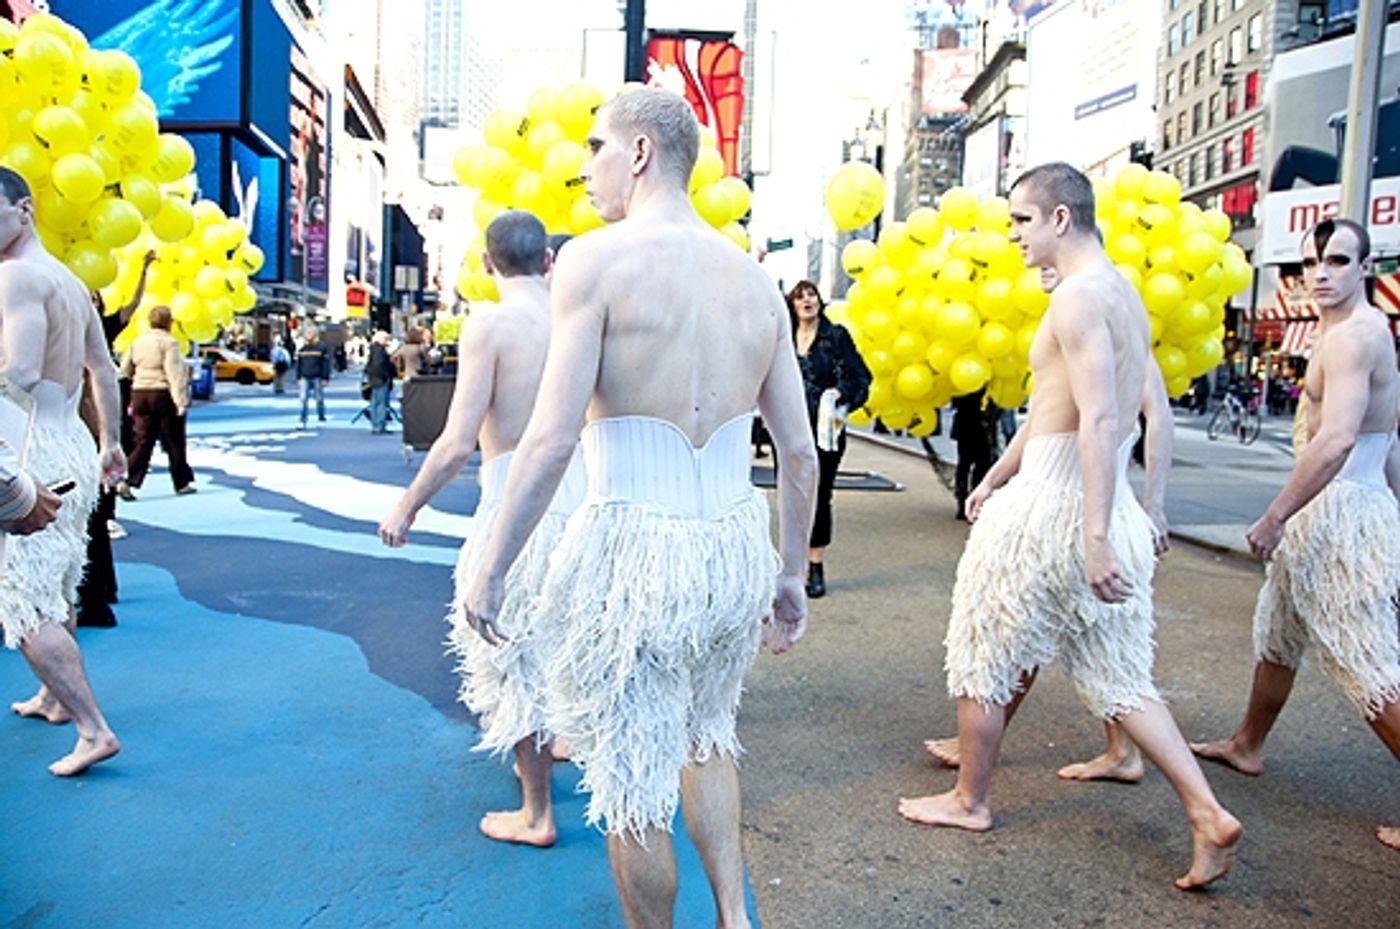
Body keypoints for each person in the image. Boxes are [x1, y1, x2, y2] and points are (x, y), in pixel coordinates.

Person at [461, 89, 818, 929]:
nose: (585, 166)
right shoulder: (756, 282)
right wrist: (791, 573)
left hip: (633, 547)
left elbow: (551, 440)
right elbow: (799, 452)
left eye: (597, 147)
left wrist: (494, 565)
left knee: (632, 777)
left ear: (642, 152)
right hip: (732, 544)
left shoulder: (593, 261)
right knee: (708, 735)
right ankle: (733, 917)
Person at [898, 163, 1241, 890]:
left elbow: (1101, 418)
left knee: (983, 649)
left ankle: (969, 799)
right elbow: (1053, 411)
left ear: (1060, 217)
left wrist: (1093, 535)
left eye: (1022, 220)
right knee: (1120, 677)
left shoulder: (1079, 298)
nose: (1013, 235)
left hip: (1059, 508)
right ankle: (1207, 810)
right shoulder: (1122, 294)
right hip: (1086, 500)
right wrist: (995, 475)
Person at [1190, 218, 1400, 852]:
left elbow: (1338, 441)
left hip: (1338, 514)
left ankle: (1248, 742)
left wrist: (1275, 514)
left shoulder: (1353, 337)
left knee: (1367, 665)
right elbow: (1388, 441)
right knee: (1278, 635)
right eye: (1312, 262)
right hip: (1336, 508)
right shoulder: (1353, 331)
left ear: (1364, 268)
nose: (1320, 274)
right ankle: (1247, 744)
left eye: (1337, 261)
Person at [380, 210, 582, 846]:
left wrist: (407, 506)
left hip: (513, 499)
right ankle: (564, 746)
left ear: (489, 263)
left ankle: (536, 813)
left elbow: (456, 441)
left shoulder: (490, 325)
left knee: (512, 653)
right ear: (547, 261)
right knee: (566, 638)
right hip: (582, 496)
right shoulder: (577, 314)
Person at [0, 165, 126, 776]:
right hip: (70, 441)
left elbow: (17, 375)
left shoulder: (16, 275)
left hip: (29, 447)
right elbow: (103, 369)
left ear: (24, 210)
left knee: (24, 602)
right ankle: (53, 697)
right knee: (56, 584)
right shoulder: (71, 281)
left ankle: (92, 727)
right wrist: (111, 442)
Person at [787, 279, 871, 597]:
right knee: (792, 496)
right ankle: (792, 566)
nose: (807, 300)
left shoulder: (836, 337)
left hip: (825, 433)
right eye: (800, 297)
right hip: (789, 432)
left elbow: (861, 378)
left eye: (811, 295)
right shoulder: (784, 338)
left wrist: (840, 392)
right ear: (792, 305)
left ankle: (816, 566)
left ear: (819, 301)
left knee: (819, 495)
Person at [116, 305, 195, 500]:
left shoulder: (138, 341)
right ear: (169, 323)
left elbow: (124, 368)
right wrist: (181, 401)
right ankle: (181, 482)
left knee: (143, 441)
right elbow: (174, 373)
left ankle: (127, 479)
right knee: (174, 440)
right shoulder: (169, 342)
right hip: (162, 393)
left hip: (139, 393)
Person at [950, 388, 993, 520]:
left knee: (968, 463)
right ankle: (969, 500)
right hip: (974, 425)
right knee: (977, 463)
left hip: (968, 424)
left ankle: (965, 500)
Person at [294, 323, 331, 428]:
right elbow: (298, 364)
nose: (308, 335)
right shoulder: (302, 348)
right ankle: (302, 420)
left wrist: (325, 378)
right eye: (307, 333)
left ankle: (321, 418)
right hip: (304, 377)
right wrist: (298, 377)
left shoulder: (321, 347)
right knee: (303, 399)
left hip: (317, 376)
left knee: (319, 399)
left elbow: (325, 364)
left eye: (311, 333)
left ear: (315, 334)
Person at [365, 331, 396, 434]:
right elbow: (379, 365)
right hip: (380, 380)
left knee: (375, 403)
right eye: (386, 339)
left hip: (375, 379)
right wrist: (386, 376)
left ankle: (376, 424)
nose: (388, 342)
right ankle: (380, 425)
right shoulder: (379, 351)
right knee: (381, 403)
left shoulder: (374, 350)